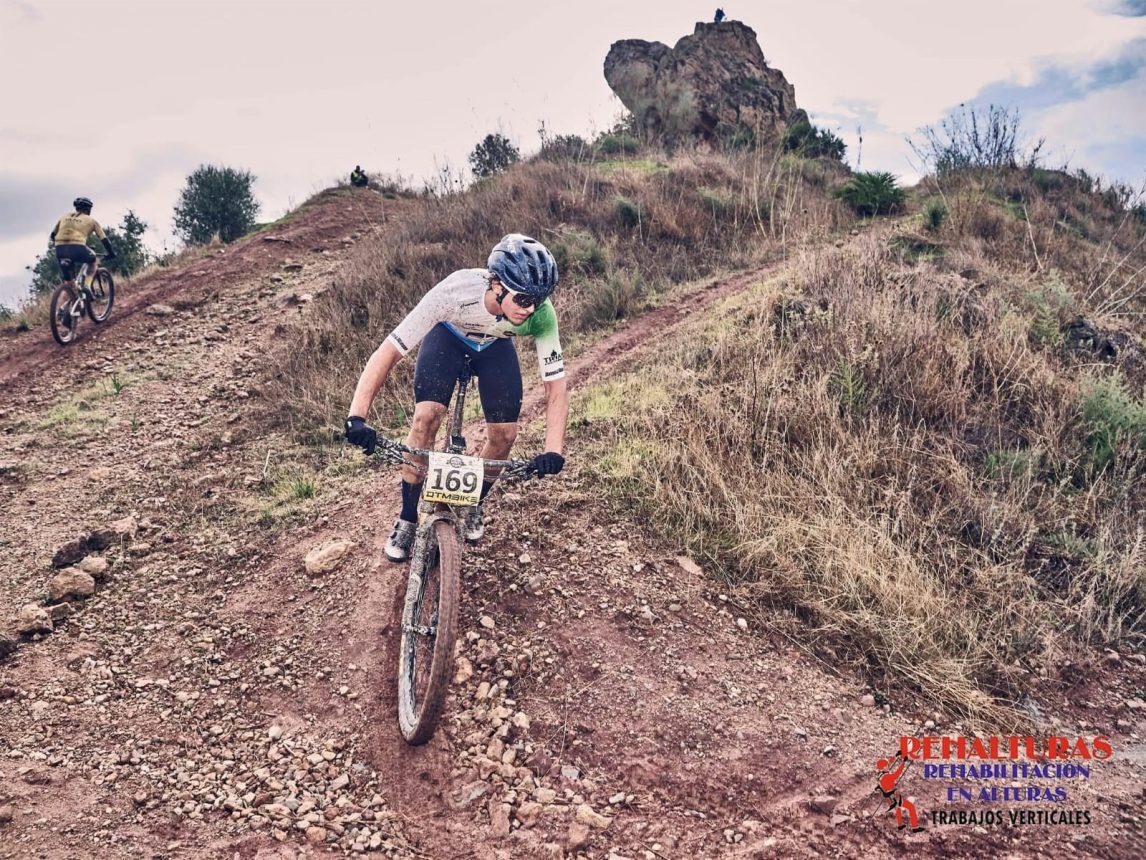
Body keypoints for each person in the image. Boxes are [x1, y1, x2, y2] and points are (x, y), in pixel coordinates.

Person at [344, 234, 568, 562]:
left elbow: (556, 388)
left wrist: (553, 449)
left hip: (494, 347)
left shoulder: (540, 314)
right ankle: (407, 518)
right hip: (448, 337)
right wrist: (357, 416)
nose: (531, 308)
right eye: (523, 299)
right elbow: (389, 351)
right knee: (426, 418)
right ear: (496, 284)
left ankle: (473, 503)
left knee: (505, 435)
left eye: (538, 299)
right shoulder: (454, 292)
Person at [50, 197, 115, 289]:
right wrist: (111, 253)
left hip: (60, 249)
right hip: (77, 247)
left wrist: (62, 245)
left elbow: (53, 235)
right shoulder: (91, 221)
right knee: (93, 260)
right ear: (89, 209)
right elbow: (104, 239)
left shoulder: (64, 216)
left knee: (69, 283)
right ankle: (87, 285)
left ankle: (69, 294)